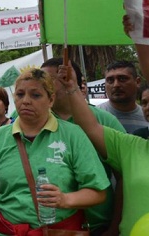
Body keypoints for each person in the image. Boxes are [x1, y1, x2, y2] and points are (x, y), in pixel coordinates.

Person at [0, 68, 110, 235]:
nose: (26, 101)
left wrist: (65, 199)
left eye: (35, 95)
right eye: (20, 94)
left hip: (59, 231)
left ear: (51, 100)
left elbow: (98, 192)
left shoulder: (72, 135)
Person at [58, 63, 149, 236]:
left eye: (123, 78)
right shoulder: (131, 146)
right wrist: (71, 87)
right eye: (144, 102)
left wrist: (141, 37)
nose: (148, 107)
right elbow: (90, 126)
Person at [41, 57, 126, 235]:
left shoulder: (105, 120)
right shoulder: (36, 124)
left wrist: (115, 227)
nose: (42, 86)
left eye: (49, 81)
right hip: (55, 228)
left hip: (100, 227)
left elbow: (124, 177)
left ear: (70, 81)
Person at [97, 60, 149, 134]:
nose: (116, 85)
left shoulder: (146, 116)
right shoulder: (93, 116)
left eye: (122, 79)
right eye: (110, 80)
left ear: (137, 82)